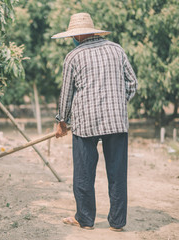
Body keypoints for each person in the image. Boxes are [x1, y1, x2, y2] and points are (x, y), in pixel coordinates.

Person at [51, 13, 137, 231]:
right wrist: (117, 103)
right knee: (117, 173)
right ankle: (117, 223)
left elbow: (66, 95)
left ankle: (85, 219)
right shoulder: (117, 49)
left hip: (85, 123)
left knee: (83, 173)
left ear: (77, 36)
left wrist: (62, 120)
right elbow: (132, 83)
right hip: (117, 122)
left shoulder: (73, 56)